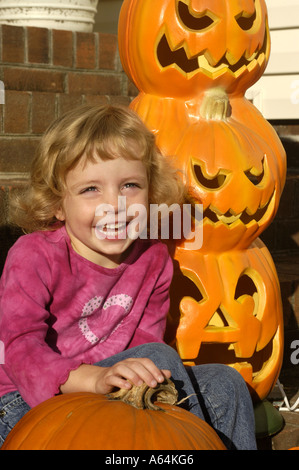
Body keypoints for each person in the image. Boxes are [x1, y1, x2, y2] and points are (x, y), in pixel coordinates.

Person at [0, 105, 257, 450]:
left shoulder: (153, 260)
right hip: (25, 403)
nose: (115, 204)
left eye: (130, 186)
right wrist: (94, 378)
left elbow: (141, 348)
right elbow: (20, 350)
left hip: (114, 394)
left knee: (225, 382)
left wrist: (119, 379)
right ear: (57, 204)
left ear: (151, 195)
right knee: (158, 356)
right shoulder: (33, 255)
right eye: (91, 189)